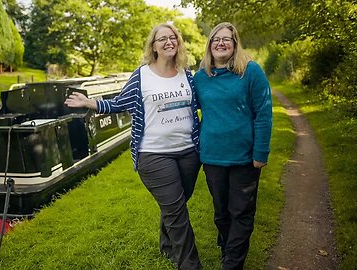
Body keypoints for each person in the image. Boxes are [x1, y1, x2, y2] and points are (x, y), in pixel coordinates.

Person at [65, 23, 203, 269]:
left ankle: (166, 244)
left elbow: (205, 104)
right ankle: (189, 265)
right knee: (178, 214)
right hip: (154, 154)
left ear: (178, 43)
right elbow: (119, 103)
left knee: (176, 205)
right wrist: (89, 102)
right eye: (163, 39)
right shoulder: (142, 75)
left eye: (173, 38)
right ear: (154, 46)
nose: (169, 42)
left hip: (189, 152)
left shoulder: (187, 74)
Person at [193, 22, 273, 269]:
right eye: (216, 39)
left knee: (241, 213)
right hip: (212, 157)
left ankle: (232, 263)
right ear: (209, 45)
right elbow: (184, 109)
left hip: (245, 158)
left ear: (235, 43)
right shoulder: (200, 77)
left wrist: (260, 152)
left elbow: (263, 113)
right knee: (221, 214)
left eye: (226, 38)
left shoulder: (251, 72)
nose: (220, 42)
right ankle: (228, 249)